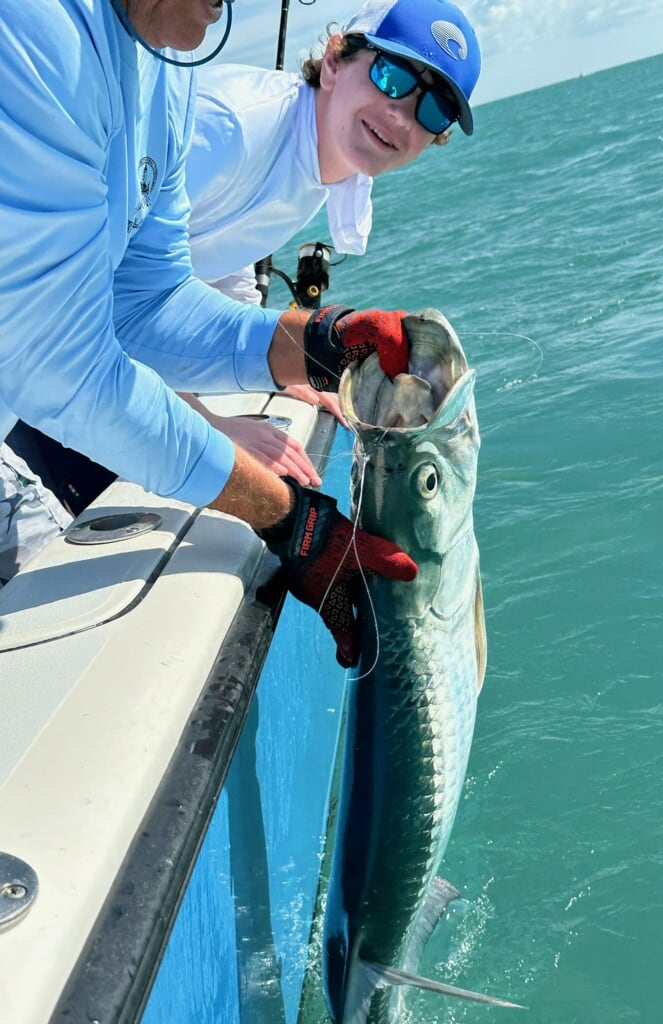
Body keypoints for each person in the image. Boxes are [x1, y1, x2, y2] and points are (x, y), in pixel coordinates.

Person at [2, 0, 479, 666]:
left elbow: (149, 302)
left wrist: (317, 346)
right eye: (396, 80)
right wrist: (292, 522)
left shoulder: (168, 71)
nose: (403, 116)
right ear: (338, 58)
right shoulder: (34, 32)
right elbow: (63, 363)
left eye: (432, 112)